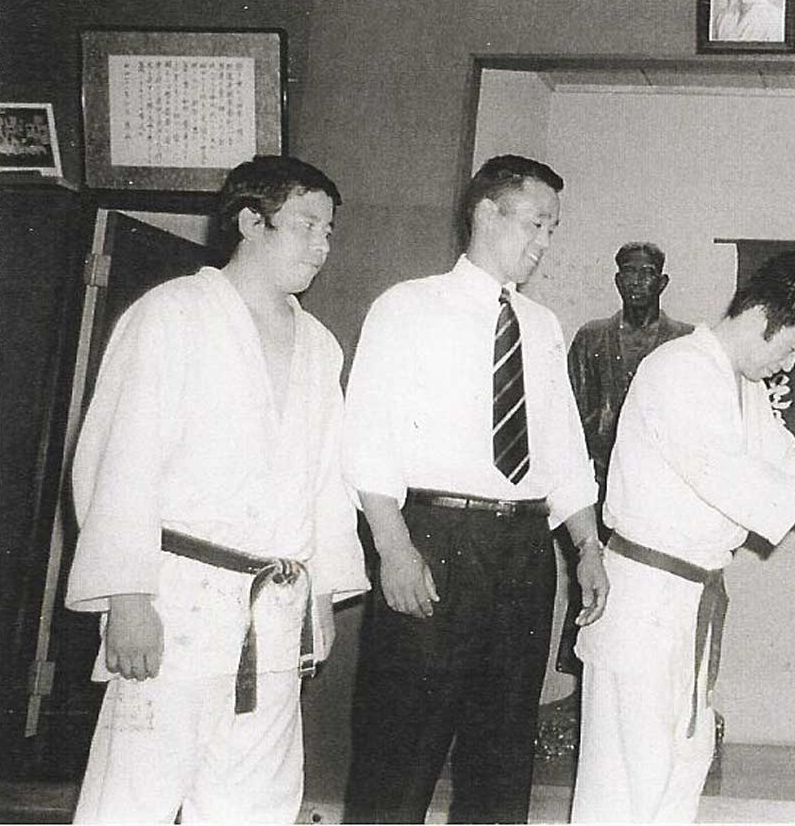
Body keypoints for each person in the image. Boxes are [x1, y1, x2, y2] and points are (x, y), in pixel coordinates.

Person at [64, 155, 368, 822]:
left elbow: (324, 481)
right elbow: (123, 460)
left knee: (256, 801)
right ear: (251, 221)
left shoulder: (320, 346)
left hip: (274, 611)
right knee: (132, 797)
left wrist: (320, 593)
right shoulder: (172, 314)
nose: (323, 244)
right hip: (175, 604)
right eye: (307, 225)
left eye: (329, 230)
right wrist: (128, 595)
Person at [570, 251, 795, 823]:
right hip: (648, 594)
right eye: (794, 348)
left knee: (682, 763)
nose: (790, 367)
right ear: (766, 315)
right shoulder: (681, 368)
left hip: (688, 596)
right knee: (630, 777)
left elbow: (785, 463)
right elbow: (727, 474)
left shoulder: (740, 384)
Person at [341, 153, 609, 824]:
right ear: (487, 211)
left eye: (553, 228)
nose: (545, 241)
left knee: (502, 751)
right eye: (537, 223)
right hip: (434, 535)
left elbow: (562, 450)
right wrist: (394, 547)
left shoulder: (543, 327)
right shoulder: (406, 306)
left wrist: (587, 546)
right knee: (399, 746)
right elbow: (367, 437)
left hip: (522, 545)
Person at [557, 241, 694, 673]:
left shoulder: (684, 341)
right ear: (617, 280)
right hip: (598, 485)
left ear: (663, 281)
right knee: (594, 580)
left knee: (654, 591)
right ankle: (584, 677)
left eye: (647, 272)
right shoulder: (591, 337)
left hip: (661, 490)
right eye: (629, 273)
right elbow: (570, 417)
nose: (637, 281)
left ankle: (651, 674)